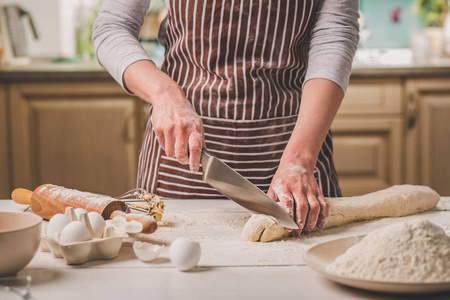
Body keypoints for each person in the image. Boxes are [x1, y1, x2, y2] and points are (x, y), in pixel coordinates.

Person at [92, 0, 359, 236]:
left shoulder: (300, 159)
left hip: (297, 150)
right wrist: (163, 93)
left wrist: (299, 161)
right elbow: (113, 25)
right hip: (182, 156)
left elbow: (335, 35)